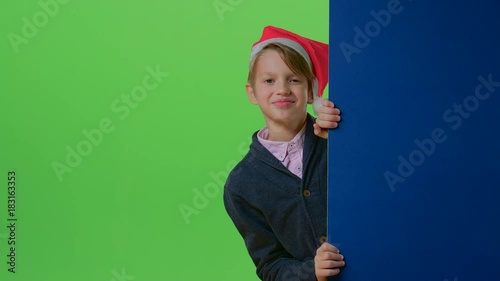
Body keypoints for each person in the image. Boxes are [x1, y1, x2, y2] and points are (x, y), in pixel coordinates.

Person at [223, 26, 345, 281]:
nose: (282, 89)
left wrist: (343, 143)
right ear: (252, 92)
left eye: (294, 79)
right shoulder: (241, 185)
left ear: (311, 91)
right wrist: (311, 271)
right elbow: (270, 265)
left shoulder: (339, 141)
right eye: (269, 80)